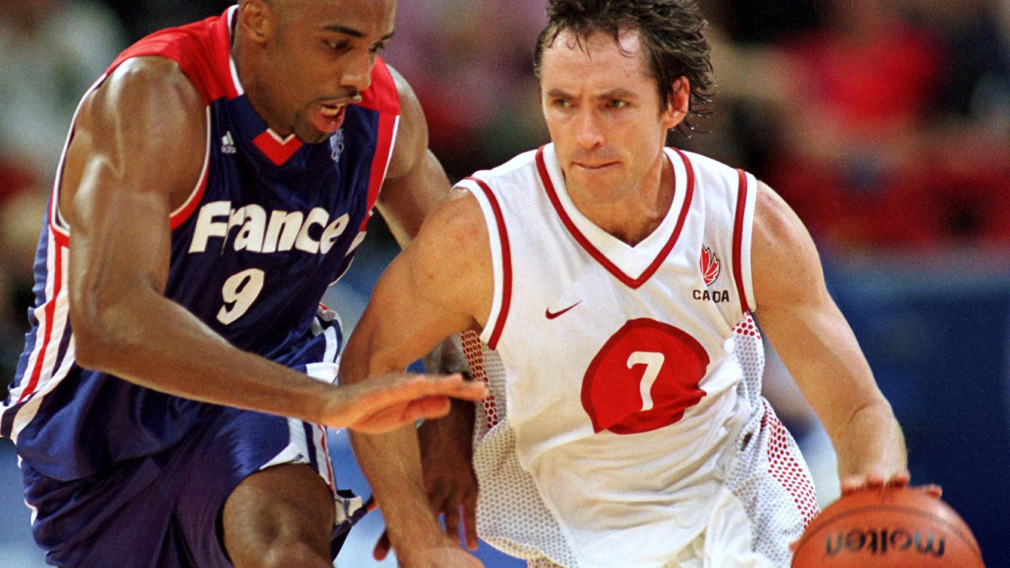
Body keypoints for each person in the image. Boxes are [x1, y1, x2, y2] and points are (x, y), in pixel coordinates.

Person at [340, 1, 916, 566]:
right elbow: (367, 362)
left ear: (675, 101)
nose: (586, 134)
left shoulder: (745, 221)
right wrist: (418, 535)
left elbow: (860, 411)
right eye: (563, 103)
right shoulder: (483, 230)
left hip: (742, 511)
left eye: (614, 104)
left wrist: (875, 497)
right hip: (573, 533)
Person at [0, 0, 488, 566]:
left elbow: (457, 274)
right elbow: (109, 321)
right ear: (258, 21)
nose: (359, 75)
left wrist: (453, 401)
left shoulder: (385, 117)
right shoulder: (156, 96)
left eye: (375, 48)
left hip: (267, 383)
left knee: (286, 552)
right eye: (337, 45)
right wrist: (327, 401)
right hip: (97, 420)